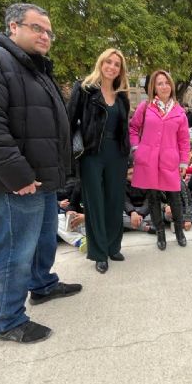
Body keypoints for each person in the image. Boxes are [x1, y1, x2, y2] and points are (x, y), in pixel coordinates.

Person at [0, 3, 81, 344]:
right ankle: (9, 320)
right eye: (37, 28)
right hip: (16, 183)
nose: (45, 36)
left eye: (49, 31)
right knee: (14, 248)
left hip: (39, 179)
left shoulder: (33, 69)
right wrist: (18, 176)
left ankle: (42, 285)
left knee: (41, 239)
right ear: (13, 26)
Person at [67, 48, 131, 274]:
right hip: (92, 153)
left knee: (114, 201)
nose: (112, 67)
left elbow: (124, 128)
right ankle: (99, 252)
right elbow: (69, 121)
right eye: (108, 62)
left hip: (118, 154)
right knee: (95, 203)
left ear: (120, 70)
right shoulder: (84, 89)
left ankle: (114, 247)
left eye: (117, 64)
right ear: (100, 63)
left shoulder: (122, 95)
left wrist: (128, 153)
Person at [129, 70, 190, 250]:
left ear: (171, 85)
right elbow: (133, 128)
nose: (164, 86)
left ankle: (179, 231)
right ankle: (160, 233)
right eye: (159, 83)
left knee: (175, 198)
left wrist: (184, 162)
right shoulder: (145, 106)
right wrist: (136, 149)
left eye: (166, 83)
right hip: (149, 160)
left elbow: (184, 140)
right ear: (153, 87)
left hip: (170, 161)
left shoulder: (179, 112)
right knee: (154, 198)